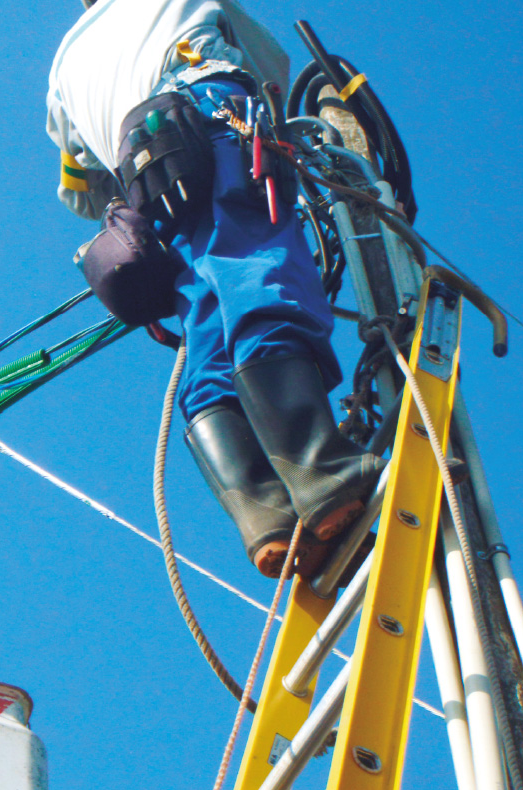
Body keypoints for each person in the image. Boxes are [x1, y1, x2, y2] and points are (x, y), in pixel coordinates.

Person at [47, 0, 383, 577]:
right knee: (255, 264)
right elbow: (271, 67)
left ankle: (265, 515)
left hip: (143, 171)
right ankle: (318, 468)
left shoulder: (64, 66)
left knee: (207, 318)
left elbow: (78, 192)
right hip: (209, 109)